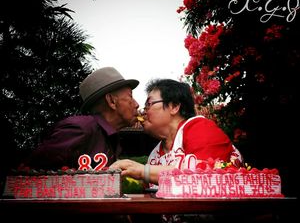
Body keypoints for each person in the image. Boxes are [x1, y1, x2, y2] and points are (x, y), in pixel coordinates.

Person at [110, 78, 243, 185]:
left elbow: (204, 176)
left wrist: (142, 171)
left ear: (174, 106)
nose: (143, 111)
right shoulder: (155, 155)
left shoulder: (200, 128)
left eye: (149, 104)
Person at [23, 66, 140, 170]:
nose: (136, 104)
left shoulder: (110, 137)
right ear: (111, 101)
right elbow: (27, 173)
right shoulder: (80, 129)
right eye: (130, 97)